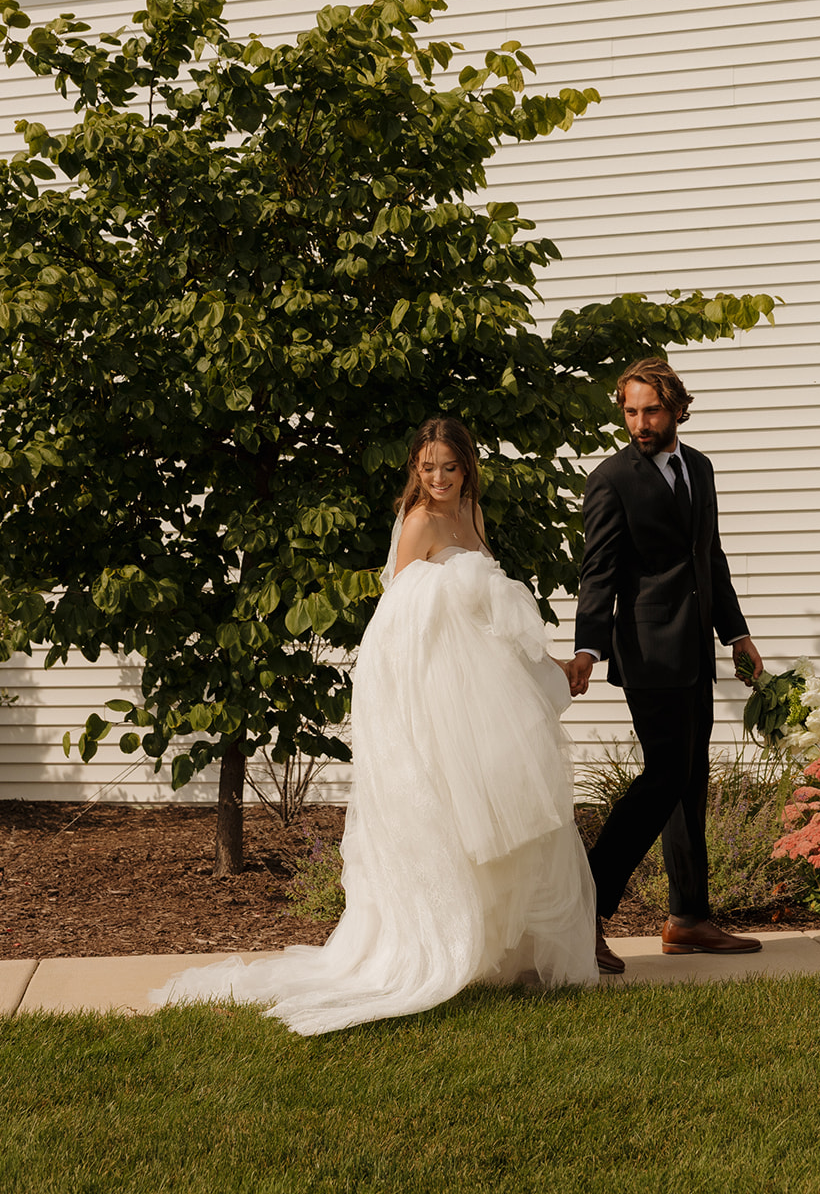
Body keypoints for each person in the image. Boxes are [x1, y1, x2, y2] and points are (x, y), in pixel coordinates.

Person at [153, 417, 597, 1032]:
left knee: (500, 810)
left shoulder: (472, 516)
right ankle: (436, 944)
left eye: (449, 466)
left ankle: (497, 948)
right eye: (427, 468)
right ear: (415, 470)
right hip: (431, 690)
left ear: (467, 467)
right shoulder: (418, 524)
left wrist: (545, 662)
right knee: (445, 814)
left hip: (480, 688)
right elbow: (398, 620)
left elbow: (492, 610)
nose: (438, 478)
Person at [567, 358, 764, 974]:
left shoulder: (699, 467)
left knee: (690, 781)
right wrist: (588, 649)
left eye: (650, 409)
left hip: (694, 652)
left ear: (677, 406)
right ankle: (586, 907)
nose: (640, 422)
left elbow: (710, 554)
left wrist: (736, 632)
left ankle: (688, 919)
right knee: (665, 775)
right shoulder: (612, 480)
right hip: (647, 652)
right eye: (630, 411)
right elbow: (597, 573)